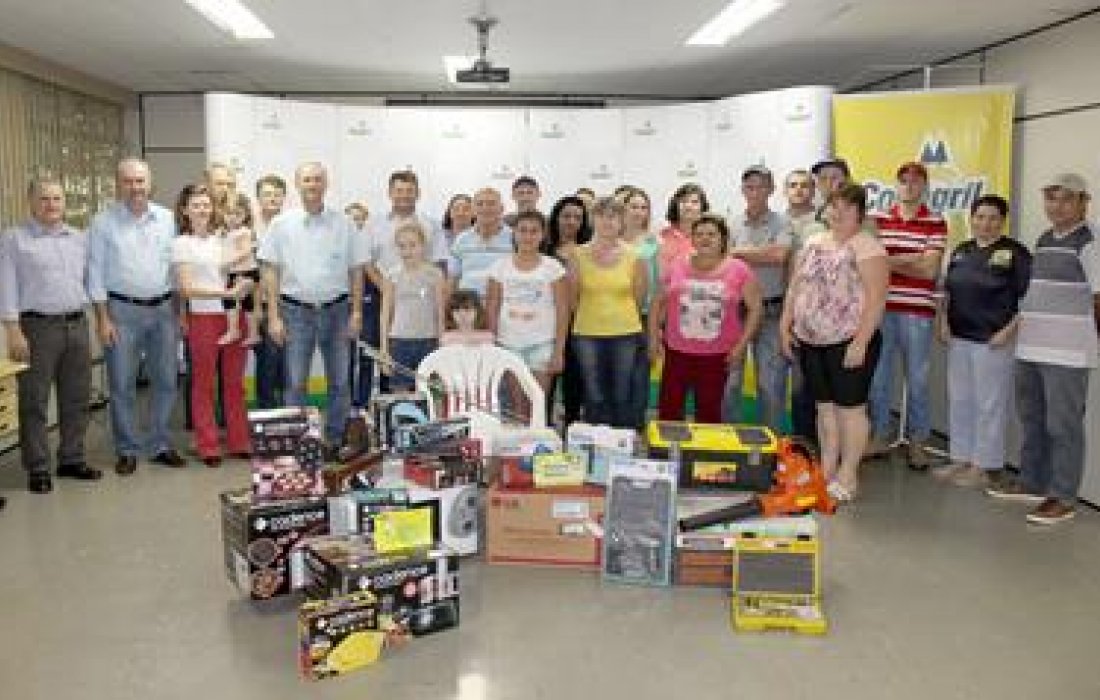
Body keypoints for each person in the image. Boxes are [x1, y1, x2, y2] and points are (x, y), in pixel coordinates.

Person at [987, 173, 1100, 526]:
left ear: (1084, 202)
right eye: (1051, 198)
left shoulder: (1091, 241)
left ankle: (1063, 496)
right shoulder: (1045, 237)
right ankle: (1032, 481)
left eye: (1067, 198)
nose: (1057, 205)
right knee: (1032, 418)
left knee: (1062, 425)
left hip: (1067, 352)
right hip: (1032, 347)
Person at [780, 184, 888, 501]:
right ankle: (826, 469)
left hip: (849, 340)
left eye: (847, 206)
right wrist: (786, 324)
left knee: (849, 411)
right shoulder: (814, 242)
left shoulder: (868, 247)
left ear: (860, 212)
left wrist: (861, 341)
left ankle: (848, 474)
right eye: (833, 205)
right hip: (811, 339)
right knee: (824, 409)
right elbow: (795, 288)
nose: (838, 211)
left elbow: (877, 299)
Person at [259, 162, 367, 456]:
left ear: (326, 183)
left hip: (338, 311)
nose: (313, 184)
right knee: (295, 383)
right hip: (295, 313)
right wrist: (273, 317)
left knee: (341, 382)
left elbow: (357, 270)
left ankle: (333, 440)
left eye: (318, 179)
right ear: (298, 184)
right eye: (307, 180)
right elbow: (270, 271)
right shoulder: (281, 225)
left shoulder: (345, 224)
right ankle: (298, 443)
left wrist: (357, 312)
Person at [0, 176, 98, 494]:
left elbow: (89, 282)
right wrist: (13, 330)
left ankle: (71, 458)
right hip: (36, 328)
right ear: (31, 202)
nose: (51, 205)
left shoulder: (79, 238)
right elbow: (7, 287)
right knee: (34, 401)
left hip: (76, 324)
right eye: (44, 199)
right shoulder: (14, 239)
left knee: (77, 398)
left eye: (57, 199)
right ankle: (38, 467)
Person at [87, 158, 185, 475]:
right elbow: (96, 274)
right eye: (128, 181)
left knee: (167, 381)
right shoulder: (103, 223)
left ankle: (159, 444)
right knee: (122, 384)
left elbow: (176, 268)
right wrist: (103, 319)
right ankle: (127, 448)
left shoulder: (168, 219)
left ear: (150, 183)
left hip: (163, 310)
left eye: (140, 181)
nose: (135, 187)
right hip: (121, 312)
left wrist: (179, 312)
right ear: (118, 184)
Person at [934, 195, 1031, 488]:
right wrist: (942, 322)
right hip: (959, 337)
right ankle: (961, 458)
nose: (985, 224)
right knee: (961, 400)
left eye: (992, 218)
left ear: (1003, 221)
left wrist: (1009, 331)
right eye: (979, 217)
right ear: (971, 219)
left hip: (993, 340)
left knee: (990, 404)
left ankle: (984, 465)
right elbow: (946, 293)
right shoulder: (961, 251)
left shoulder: (1016, 254)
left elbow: (1028, 301)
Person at [866, 162, 947, 468]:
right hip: (881, 308)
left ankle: (917, 441)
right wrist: (912, 258)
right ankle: (881, 436)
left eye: (916, 181)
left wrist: (890, 259)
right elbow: (872, 261)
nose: (909, 186)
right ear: (896, 185)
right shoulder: (878, 220)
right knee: (878, 378)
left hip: (917, 311)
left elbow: (931, 269)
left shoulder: (936, 222)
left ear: (924, 186)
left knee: (918, 379)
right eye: (904, 181)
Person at [650, 214, 761, 422]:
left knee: (709, 414)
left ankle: (703, 454)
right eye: (699, 234)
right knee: (669, 410)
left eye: (712, 234)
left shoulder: (739, 269)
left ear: (723, 239)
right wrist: (654, 337)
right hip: (677, 352)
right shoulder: (676, 265)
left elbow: (755, 309)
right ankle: (666, 453)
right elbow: (657, 302)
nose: (705, 239)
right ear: (692, 239)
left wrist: (741, 346)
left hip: (717, 356)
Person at [171, 183, 252, 467]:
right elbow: (186, 289)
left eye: (206, 205)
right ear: (185, 210)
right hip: (203, 318)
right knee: (203, 384)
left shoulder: (223, 238)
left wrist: (243, 288)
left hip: (233, 317)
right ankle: (208, 445)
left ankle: (239, 441)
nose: (203, 210)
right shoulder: (182, 243)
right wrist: (225, 294)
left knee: (233, 383)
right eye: (196, 205)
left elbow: (243, 267)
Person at [359, 171, 449, 407]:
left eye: (410, 190)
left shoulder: (431, 225)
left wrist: (442, 341)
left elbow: (440, 266)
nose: (404, 195)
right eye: (399, 190)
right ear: (390, 193)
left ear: (418, 193)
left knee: (429, 388)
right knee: (395, 386)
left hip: (426, 325)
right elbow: (367, 261)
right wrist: (388, 288)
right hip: (390, 310)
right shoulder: (374, 224)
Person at [570, 197, 648, 428]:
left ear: (622, 221)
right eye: (602, 215)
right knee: (594, 394)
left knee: (621, 393)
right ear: (593, 220)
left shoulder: (636, 256)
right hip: (587, 333)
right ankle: (595, 444)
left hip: (625, 333)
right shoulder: (577, 255)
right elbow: (572, 299)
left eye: (613, 216)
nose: (607, 221)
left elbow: (639, 297)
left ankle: (621, 445)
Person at [726, 166, 794, 430]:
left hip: (771, 311)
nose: (755, 191)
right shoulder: (731, 223)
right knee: (730, 381)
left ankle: (770, 447)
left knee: (771, 383)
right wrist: (760, 252)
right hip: (735, 311)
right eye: (750, 186)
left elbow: (779, 256)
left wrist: (738, 252)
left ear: (771, 189)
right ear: (743, 190)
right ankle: (727, 442)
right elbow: (723, 257)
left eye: (761, 186)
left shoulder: (783, 222)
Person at [486, 211, 569, 406]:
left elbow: (563, 311)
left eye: (534, 231)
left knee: (538, 406)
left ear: (543, 235)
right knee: (516, 407)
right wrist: (492, 347)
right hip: (508, 344)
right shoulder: (499, 267)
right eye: (522, 230)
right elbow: (492, 309)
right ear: (513, 233)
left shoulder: (553, 268)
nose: (528, 236)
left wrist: (559, 351)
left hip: (542, 345)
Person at [379, 222, 446, 391]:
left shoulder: (435, 275)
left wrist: (442, 345)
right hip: (399, 342)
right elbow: (385, 314)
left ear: (423, 246)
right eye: (402, 246)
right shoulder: (391, 275)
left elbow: (440, 312)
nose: (407, 251)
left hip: (428, 341)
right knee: (400, 392)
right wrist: (384, 349)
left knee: (429, 392)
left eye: (412, 245)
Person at [544, 196, 592, 427]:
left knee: (575, 382)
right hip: (545, 324)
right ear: (556, 218)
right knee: (545, 385)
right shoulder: (543, 249)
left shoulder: (589, 252)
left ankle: (572, 432)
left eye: (578, 217)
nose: (571, 221)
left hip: (580, 323)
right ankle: (544, 430)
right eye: (566, 216)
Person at [784, 169, 819, 442]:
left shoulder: (821, 224)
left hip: (810, 313)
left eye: (805, 186)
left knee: (805, 385)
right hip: (778, 308)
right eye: (793, 185)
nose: (799, 190)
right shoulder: (776, 222)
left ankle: (806, 444)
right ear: (784, 190)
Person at [621, 187, 661, 429]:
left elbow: (658, 285)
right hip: (614, 317)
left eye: (643, 207)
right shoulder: (611, 240)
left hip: (644, 317)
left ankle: (635, 427)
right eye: (633, 206)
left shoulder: (653, 242)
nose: (638, 212)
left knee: (639, 375)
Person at [252, 174, 288, 409]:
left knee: (288, 363)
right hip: (261, 304)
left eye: (277, 194)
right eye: (267, 194)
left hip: (290, 303)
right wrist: (255, 308)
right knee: (267, 361)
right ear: (258, 198)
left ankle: (289, 413)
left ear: (284, 197)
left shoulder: (291, 225)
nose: (272, 199)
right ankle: (267, 415)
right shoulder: (249, 228)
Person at [449, 188, 513, 299]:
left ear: (501, 208)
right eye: (480, 204)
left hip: (503, 304)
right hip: (468, 308)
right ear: (473, 210)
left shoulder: (515, 238)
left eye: (491, 204)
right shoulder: (461, 239)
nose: (485, 208)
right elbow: (453, 278)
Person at [219, 192, 261, 347]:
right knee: (247, 305)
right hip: (241, 272)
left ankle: (234, 330)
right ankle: (253, 333)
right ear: (222, 213)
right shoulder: (227, 232)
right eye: (229, 213)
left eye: (237, 214)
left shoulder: (243, 232)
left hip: (243, 272)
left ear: (245, 215)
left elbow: (245, 252)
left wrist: (227, 263)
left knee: (230, 300)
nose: (232, 217)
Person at [659, 183, 709, 271]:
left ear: (702, 207)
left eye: (694, 202)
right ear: (675, 205)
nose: (688, 206)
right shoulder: (662, 236)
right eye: (683, 201)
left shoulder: (710, 238)